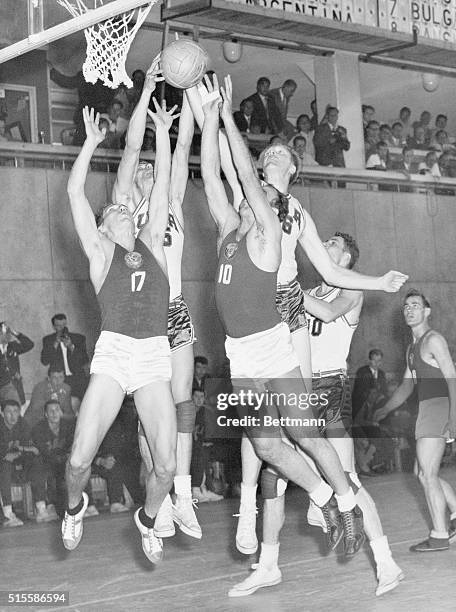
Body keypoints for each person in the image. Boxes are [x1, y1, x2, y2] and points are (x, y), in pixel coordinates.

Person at [201, 72, 367, 560]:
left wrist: (229, 116)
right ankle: (323, 499)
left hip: (273, 343)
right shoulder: (232, 227)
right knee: (267, 444)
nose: (258, 201)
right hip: (239, 353)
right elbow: (212, 175)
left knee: (305, 434)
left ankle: (348, 502)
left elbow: (248, 177)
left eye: (264, 199)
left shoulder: (268, 234)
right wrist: (208, 121)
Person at [229, 232, 403, 597]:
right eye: (325, 241)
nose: (325, 244)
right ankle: (269, 564)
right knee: (272, 477)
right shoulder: (311, 288)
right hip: (297, 384)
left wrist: (287, 287)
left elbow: (324, 312)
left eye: (334, 244)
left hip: (330, 390)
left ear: (347, 258)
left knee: (348, 478)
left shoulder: (350, 289)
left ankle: (386, 562)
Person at [62, 86, 179, 564]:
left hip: (152, 354)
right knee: (77, 460)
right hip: (114, 354)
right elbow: (74, 191)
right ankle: (73, 508)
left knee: (167, 467)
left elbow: (166, 184)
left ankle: (148, 520)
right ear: (105, 224)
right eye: (112, 209)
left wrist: (165, 135)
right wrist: (90, 143)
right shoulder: (101, 252)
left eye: (123, 206)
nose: (121, 207)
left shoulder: (152, 237)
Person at [111, 57, 201, 540]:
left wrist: (188, 92)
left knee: (183, 405)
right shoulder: (126, 212)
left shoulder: (174, 203)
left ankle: (182, 491)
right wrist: (146, 91)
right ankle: (159, 499)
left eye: (152, 165)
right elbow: (129, 148)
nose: (147, 169)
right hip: (141, 319)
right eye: (143, 168)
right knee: (151, 421)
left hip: (176, 309)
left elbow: (184, 143)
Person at [374, 290, 456, 552]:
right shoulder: (412, 349)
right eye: (406, 306)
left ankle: (440, 535)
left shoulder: (434, 340)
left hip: (439, 406)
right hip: (426, 408)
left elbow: (451, 377)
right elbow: (406, 388)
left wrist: (454, 418)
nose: (410, 310)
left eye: (416, 305)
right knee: (421, 473)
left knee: (428, 474)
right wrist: (383, 409)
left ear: (427, 311)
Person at [0, 399, 52, 525]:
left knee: (37, 461)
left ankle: (41, 509)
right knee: (4, 464)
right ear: (2, 413)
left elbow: (33, 449)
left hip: (20, 464)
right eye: (9, 412)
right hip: (4, 468)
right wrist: (7, 455)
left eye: (16, 411)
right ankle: (8, 514)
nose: (13, 415)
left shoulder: (23, 423)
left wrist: (18, 452)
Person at [40, 313, 89, 411]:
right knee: (61, 407)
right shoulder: (48, 340)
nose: (61, 328)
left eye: (63, 325)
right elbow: (44, 361)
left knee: (83, 406)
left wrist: (71, 346)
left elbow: (85, 360)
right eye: (58, 326)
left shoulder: (78, 338)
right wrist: (55, 344)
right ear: (53, 326)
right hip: (59, 380)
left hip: (77, 379)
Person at [0, 322, 34, 406]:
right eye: (6, 332)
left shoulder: (12, 346)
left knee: (16, 414)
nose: (9, 334)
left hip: (16, 388)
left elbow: (29, 344)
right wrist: (12, 373)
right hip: (2, 389)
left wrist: (15, 333)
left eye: (9, 332)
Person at [352, 349, 388, 421]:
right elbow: (359, 391)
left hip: (376, 404)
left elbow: (384, 390)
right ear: (370, 360)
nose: (376, 363)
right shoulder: (362, 371)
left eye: (379, 361)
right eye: (374, 360)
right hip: (362, 404)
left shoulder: (381, 374)